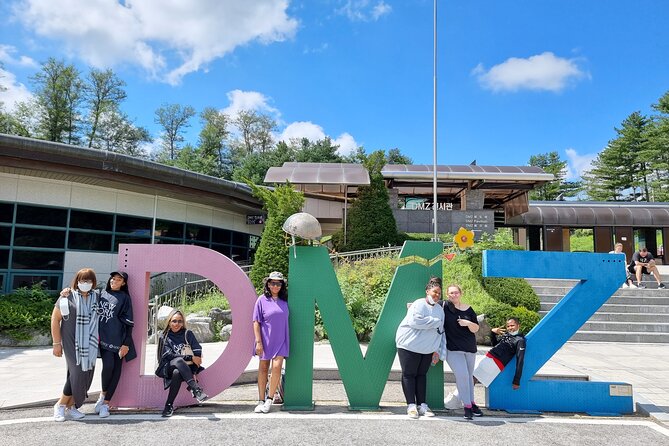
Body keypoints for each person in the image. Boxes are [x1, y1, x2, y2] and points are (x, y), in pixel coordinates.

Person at [51, 268, 100, 422]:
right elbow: (55, 319)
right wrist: (56, 343)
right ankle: (60, 405)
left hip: (90, 344)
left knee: (84, 374)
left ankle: (71, 406)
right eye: (82, 280)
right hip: (72, 342)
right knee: (77, 372)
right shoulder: (67, 296)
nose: (85, 283)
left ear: (93, 283)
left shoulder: (97, 297)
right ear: (77, 281)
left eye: (89, 281)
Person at [395, 277, 444, 419]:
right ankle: (411, 406)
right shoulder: (419, 304)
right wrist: (434, 321)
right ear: (427, 291)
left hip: (427, 349)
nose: (437, 295)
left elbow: (440, 330)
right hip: (408, 345)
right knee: (409, 374)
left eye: (439, 294)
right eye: (435, 292)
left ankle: (422, 405)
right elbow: (414, 322)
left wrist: (436, 349)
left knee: (422, 375)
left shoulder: (440, 310)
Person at [92, 271, 136, 418]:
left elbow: (129, 324)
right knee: (108, 366)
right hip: (103, 339)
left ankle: (106, 404)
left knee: (116, 371)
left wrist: (126, 343)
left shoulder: (125, 298)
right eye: (113, 278)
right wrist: (67, 292)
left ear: (123, 283)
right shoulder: (100, 294)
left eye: (118, 280)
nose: (114, 281)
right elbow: (82, 295)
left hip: (119, 340)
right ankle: (102, 395)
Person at [155, 309, 208, 417]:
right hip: (167, 367)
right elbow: (169, 355)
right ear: (169, 322)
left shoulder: (187, 334)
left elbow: (197, 348)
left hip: (186, 369)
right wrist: (189, 357)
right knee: (178, 361)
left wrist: (197, 357)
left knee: (177, 373)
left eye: (180, 321)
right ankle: (195, 388)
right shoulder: (164, 336)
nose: (177, 324)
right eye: (174, 321)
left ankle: (168, 405)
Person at [441, 284, 480, 420]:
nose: (454, 295)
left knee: (469, 377)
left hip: (470, 348)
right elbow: (429, 302)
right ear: (447, 295)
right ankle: (467, 406)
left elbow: (476, 328)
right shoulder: (444, 306)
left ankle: (472, 403)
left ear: (460, 293)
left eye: (456, 292)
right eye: (451, 293)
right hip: (453, 349)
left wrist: (467, 323)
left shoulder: (468, 309)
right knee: (462, 376)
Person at [253, 271, 289, 414]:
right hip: (265, 339)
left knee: (277, 366)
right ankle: (261, 400)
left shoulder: (286, 300)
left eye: (278, 283)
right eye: (273, 283)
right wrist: (258, 342)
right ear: (268, 284)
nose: (275, 286)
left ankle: (269, 399)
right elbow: (256, 322)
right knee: (263, 368)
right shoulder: (261, 300)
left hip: (281, 339)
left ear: (282, 285)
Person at [473, 317, 526, 389]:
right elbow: (495, 344)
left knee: (472, 377)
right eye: (508, 326)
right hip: (489, 357)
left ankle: (459, 398)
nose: (510, 328)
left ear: (518, 326)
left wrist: (516, 380)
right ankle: (463, 398)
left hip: (495, 362)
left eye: (512, 325)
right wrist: (493, 334)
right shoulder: (507, 335)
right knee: (470, 376)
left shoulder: (520, 340)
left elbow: (520, 360)